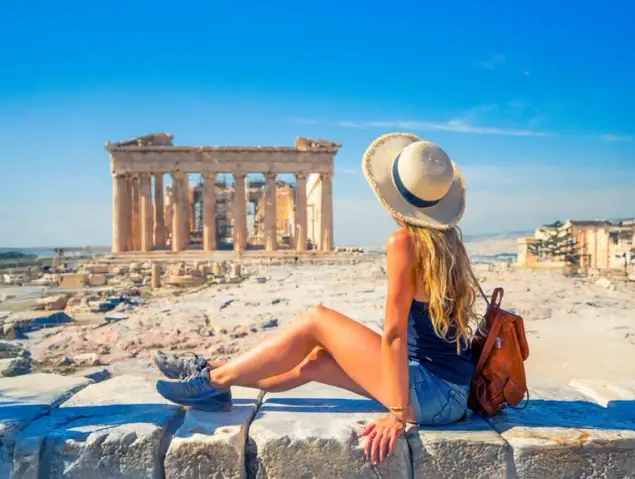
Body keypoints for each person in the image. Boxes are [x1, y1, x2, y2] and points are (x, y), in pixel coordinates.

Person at [154, 133, 479, 464]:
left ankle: (211, 381)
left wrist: (396, 415)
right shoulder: (450, 242)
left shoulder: (404, 242)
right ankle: (215, 375)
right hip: (449, 393)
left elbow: (394, 334)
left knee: (317, 319)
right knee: (314, 362)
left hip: (429, 392)